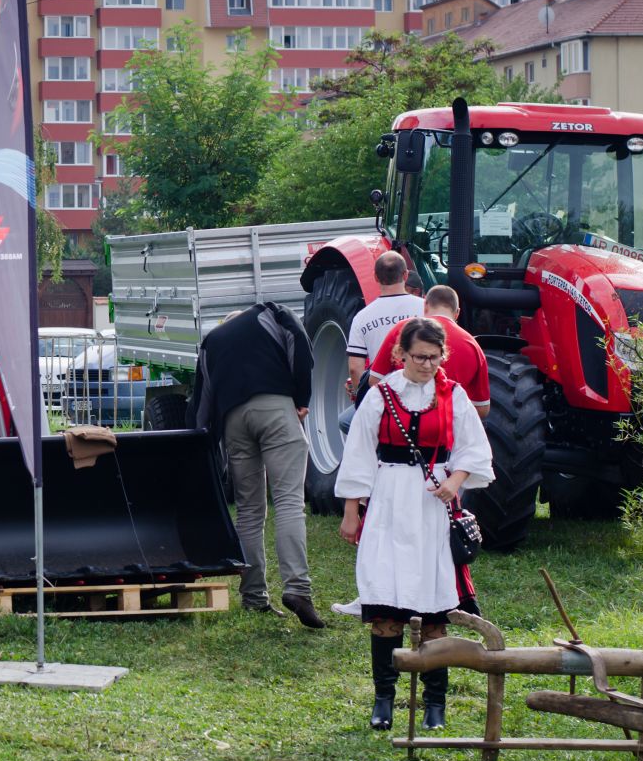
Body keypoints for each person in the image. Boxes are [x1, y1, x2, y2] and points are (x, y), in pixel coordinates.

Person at [334, 317, 495, 731]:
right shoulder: (380, 394)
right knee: (386, 603)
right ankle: (383, 700)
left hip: (431, 508)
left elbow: (474, 449)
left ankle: (434, 704)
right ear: (399, 355)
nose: (428, 364)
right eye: (420, 357)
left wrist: (454, 481)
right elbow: (359, 454)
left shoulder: (452, 394)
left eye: (435, 357)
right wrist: (353, 511)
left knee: (434, 608)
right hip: (388, 499)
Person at [193, 302, 322, 628]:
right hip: (275, 408)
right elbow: (301, 344)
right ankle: (297, 589)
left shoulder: (212, 342)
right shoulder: (270, 313)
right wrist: (302, 398)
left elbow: (201, 403)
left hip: (234, 421)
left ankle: (254, 596)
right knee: (289, 502)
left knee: (250, 511)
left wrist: (203, 450)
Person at [368, 284, 491, 418]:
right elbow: (482, 408)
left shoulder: (403, 329)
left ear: (425, 305)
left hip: (402, 425)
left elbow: (374, 380)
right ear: (457, 313)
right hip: (447, 431)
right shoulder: (473, 346)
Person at [344, 251, 424, 401]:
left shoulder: (361, 317)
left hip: (384, 399)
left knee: (345, 421)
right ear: (405, 275)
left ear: (375, 277)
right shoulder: (426, 308)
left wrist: (364, 400)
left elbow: (355, 369)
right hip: (423, 394)